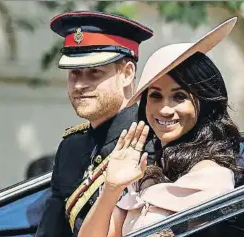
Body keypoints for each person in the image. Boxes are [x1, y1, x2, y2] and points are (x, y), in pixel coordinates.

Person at [77, 17, 244, 237]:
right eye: (155, 96)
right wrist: (111, 189)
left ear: (205, 102)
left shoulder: (210, 177)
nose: (165, 109)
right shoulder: (150, 169)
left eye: (179, 96)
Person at [35, 11, 155, 237]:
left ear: (127, 74)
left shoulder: (155, 140)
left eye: (94, 73)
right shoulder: (71, 147)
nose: (80, 84)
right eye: (74, 73)